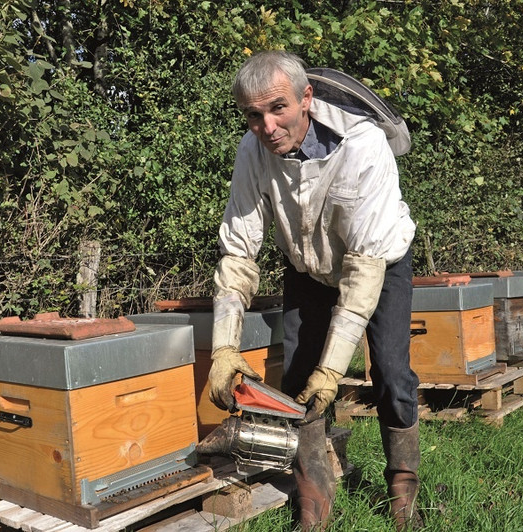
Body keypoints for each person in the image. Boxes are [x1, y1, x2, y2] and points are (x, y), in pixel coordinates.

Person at [207, 51, 421, 531]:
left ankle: (403, 488)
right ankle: (313, 495)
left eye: (277, 108)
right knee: (299, 376)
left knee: (389, 370)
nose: (267, 125)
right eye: (253, 115)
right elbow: (239, 252)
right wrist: (223, 347)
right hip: (307, 265)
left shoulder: (363, 145)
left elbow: (364, 268)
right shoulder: (252, 151)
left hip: (378, 262)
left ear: (306, 98)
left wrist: (335, 370)